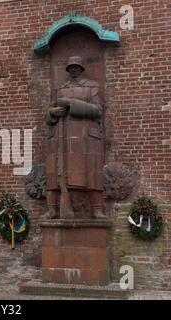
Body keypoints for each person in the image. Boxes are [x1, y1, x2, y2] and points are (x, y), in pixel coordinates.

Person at [43, 56, 106, 219]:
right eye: (70, 67)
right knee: (55, 172)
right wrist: (53, 113)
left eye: (76, 67)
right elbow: (48, 113)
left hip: (85, 136)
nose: (73, 70)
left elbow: (97, 110)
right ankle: (53, 209)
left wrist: (71, 104)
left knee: (91, 173)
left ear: (81, 69)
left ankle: (96, 210)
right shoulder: (59, 89)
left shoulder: (92, 87)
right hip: (61, 136)